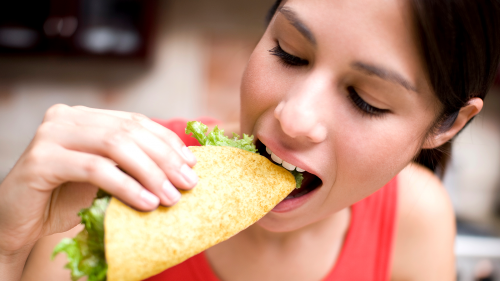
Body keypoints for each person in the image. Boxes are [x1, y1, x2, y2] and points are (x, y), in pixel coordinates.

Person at [1, 0, 500, 280]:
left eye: (367, 99)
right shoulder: (119, 182)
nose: (294, 117)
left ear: (446, 125)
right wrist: (5, 247)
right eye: (288, 52)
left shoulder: (416, 219)